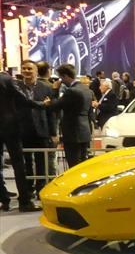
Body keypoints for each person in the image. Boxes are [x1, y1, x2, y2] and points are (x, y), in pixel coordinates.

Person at [0, 71, 40, 212]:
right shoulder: (6, 79)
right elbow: (22, 99)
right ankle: (24, 201)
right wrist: (41, 104)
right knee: (18, 165)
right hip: (10, 126)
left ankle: (4, 199)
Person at [18, 60, 57, 195]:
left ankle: (41, 190)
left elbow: (51, 112)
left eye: (29, 69)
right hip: (22, 130)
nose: (27, 71)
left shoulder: (46, 88)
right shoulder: (16, 87)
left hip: (42, 130)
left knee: (42, 162)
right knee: (26, 162)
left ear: (35, 71)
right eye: (24, 69)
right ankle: (28, 190)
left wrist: (53, 132)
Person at [44, 64, 94, 168]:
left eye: (61, 78)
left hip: (72, 133)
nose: (61, 81)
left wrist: (54, 90)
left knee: (73, 164)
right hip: (85, 131)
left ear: (65, 76)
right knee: (82, 164)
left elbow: (55, 106)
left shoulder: (71, 91)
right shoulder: (87, 90)